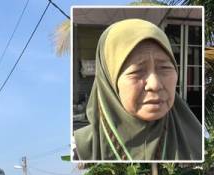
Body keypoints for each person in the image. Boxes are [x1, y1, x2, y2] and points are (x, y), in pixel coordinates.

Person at [73, 18, 202, 162]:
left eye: (165, 68)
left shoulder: (199, 142)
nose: (155, 85)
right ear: (109, 81)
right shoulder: (80, 152)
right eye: (137, 72)